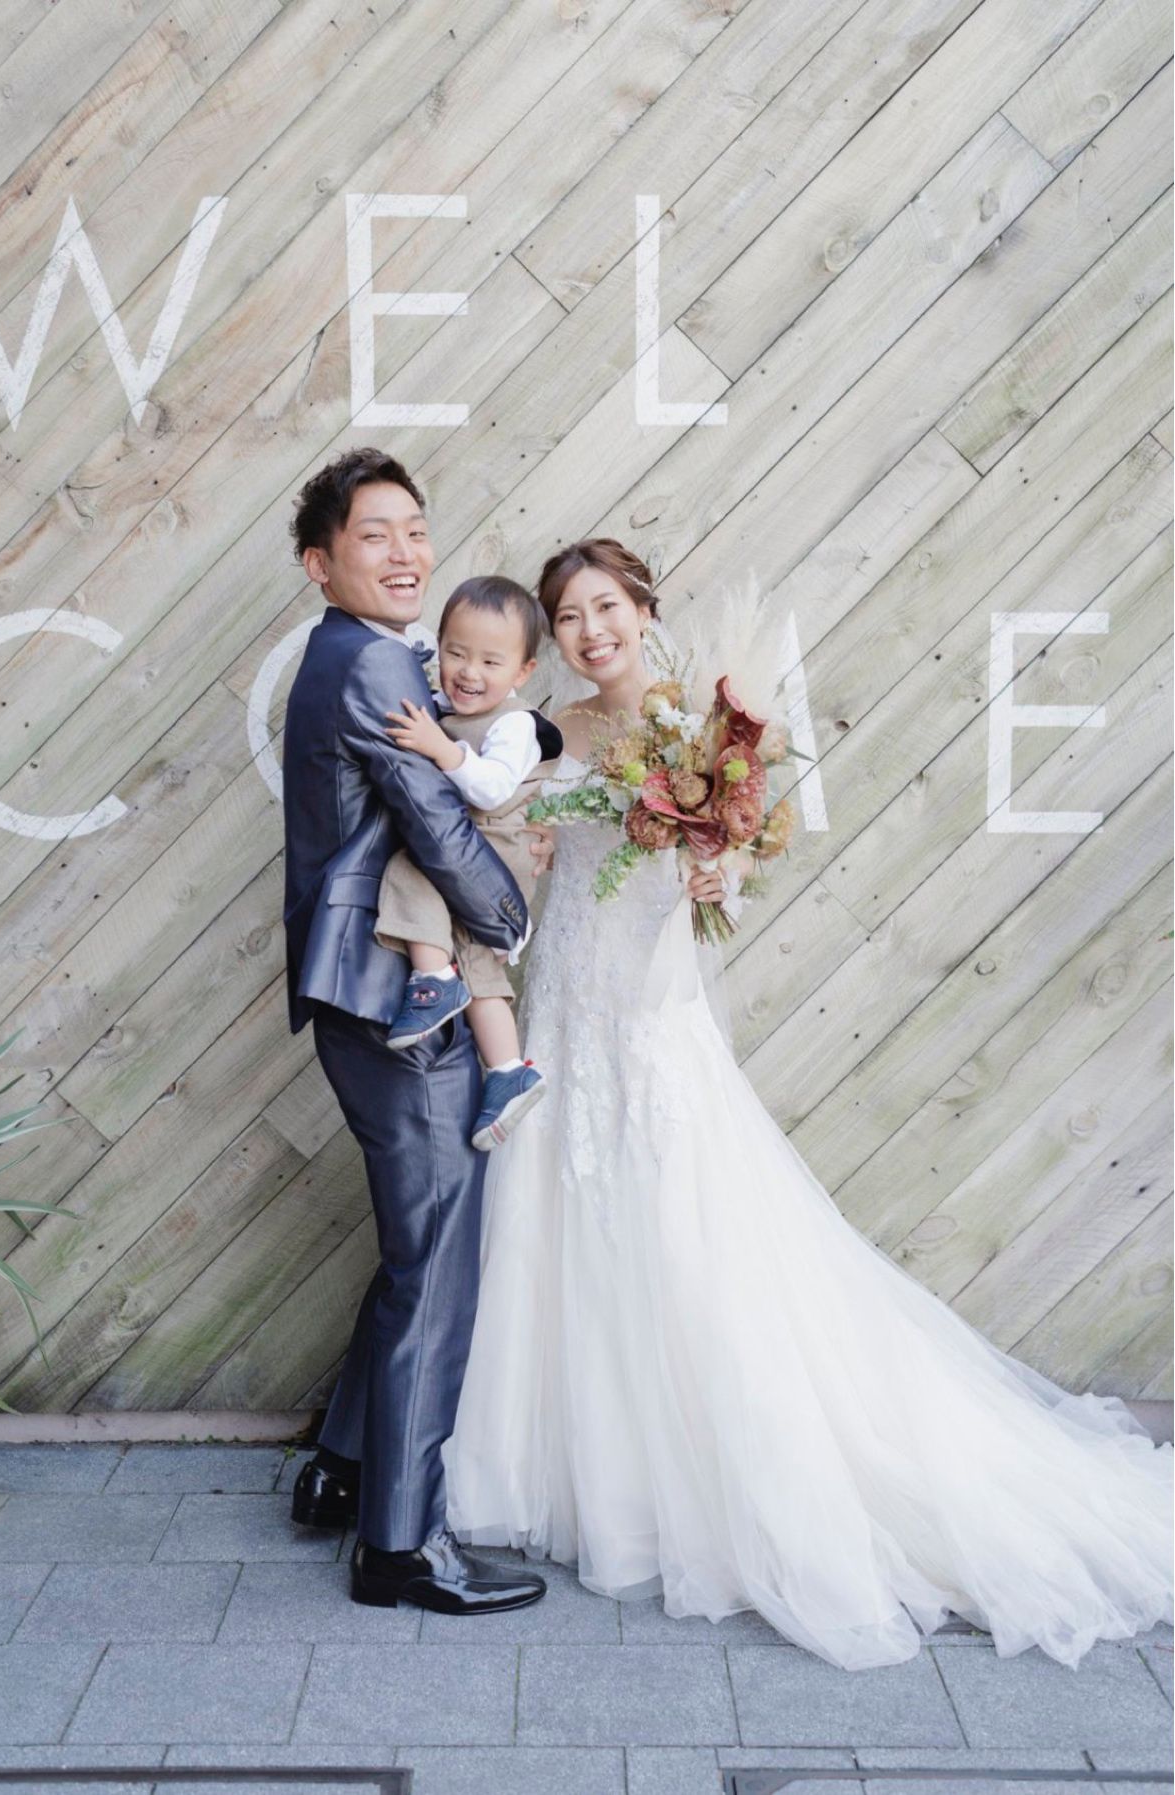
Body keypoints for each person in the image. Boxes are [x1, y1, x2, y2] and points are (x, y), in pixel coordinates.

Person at [442, 536, 1174, 1670]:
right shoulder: (548, 733)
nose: (591, 632)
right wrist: (530, 850)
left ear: (643, 610)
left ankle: (724, 1480)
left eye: (606, 608)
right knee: (563, 1213)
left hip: (651, 1006)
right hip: (566, 1001)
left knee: (683, 1226)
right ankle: (589, 1480)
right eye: (569, 617)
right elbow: (528, 849)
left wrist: (717, 870)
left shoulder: (703, 727)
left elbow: (736, 853)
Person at [280, 446, 547, 1616]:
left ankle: (342, 1469)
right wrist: (508, 918)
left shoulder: (343, 654)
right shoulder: (375, 663)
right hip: (400, 1000)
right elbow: (441, 824)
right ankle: (400, 1548)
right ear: (319, 562)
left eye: (414, 529)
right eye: (373, 534)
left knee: (413, 1250)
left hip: (365, 990)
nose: (403, 552)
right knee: (435, 1263)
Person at [375, 574, 561, 1150]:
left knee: (410, 868)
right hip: (474, 847)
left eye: (490, 661)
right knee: (480, 965)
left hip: (496, 850)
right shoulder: (444, 708)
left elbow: (492, 787)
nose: (469, 672)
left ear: (523, 672)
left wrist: (441, 749)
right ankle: (507, 1072)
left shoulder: (515, 723)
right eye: (456, 653)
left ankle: (434, 979)